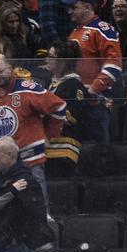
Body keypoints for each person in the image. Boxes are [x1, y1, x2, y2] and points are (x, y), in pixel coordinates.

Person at [0, 53, 66, 206]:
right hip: (2, 164)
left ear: (11, 68)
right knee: (5, 211)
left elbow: (59, 106)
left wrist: (50, 135)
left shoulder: (27, 88)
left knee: (38, 207)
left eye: (0, 71)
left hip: (29, 159)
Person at [64, 0, 121, 146]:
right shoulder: (74, 32)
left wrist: (93, 89)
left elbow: (114, 65)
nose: (70, 12)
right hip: (77, 102)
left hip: (95, 102)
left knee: (95, 151)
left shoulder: (102, 29)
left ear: (87, 7)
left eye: (74, 7)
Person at [45, 40, 88, 178]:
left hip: (63, 148)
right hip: (49, 147)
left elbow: (70, 116)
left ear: (62, 62)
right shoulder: (53, 83)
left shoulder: (73, 85)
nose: (47, 59)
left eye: (51, 57)